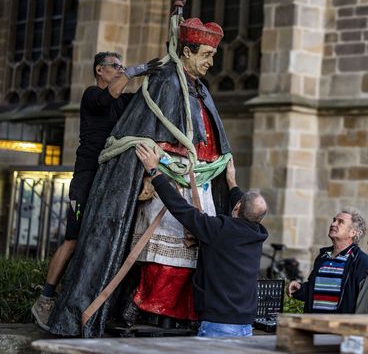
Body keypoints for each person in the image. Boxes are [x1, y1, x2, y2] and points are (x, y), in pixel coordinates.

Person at [49, 17, 234, 337]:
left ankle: (183, 310)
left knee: (193, 252)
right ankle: (131, 302)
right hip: (161, 180)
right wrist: (137, 71)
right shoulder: (137, 88)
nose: (210, 62)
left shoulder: (200, 90)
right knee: (147, 247)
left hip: (197, 181)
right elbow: (146, 126)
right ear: (187, 52)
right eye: (206, 54)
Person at [31, 52, 161, 331]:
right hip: (85, 178)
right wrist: (134, 70)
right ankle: (45, 299)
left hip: (109, 179)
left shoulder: (123, 102)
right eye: (115, 66)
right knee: (73, 239)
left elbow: (147, 101)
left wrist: (160, 74)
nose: (120, 70)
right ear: (100, 70)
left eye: (122, 66)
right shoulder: (92, 95)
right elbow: (109, 95)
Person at [134, 144, 268, 337]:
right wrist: (232, 182)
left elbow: (182, 210)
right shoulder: (257, 234)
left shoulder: (219, 230)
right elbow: (247, 209)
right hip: (245, 325)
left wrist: (154, 172)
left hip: (218, 325)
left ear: (238, 207)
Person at [288, 209, 368, 313]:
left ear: (353, 232)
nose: (333, 224)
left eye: (340, 222)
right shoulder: (323, 256)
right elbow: (314, 290)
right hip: (313, 321)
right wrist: (299, 288)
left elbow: (364, 300)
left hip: (338, 323)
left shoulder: (360, 261)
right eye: (334, 220)